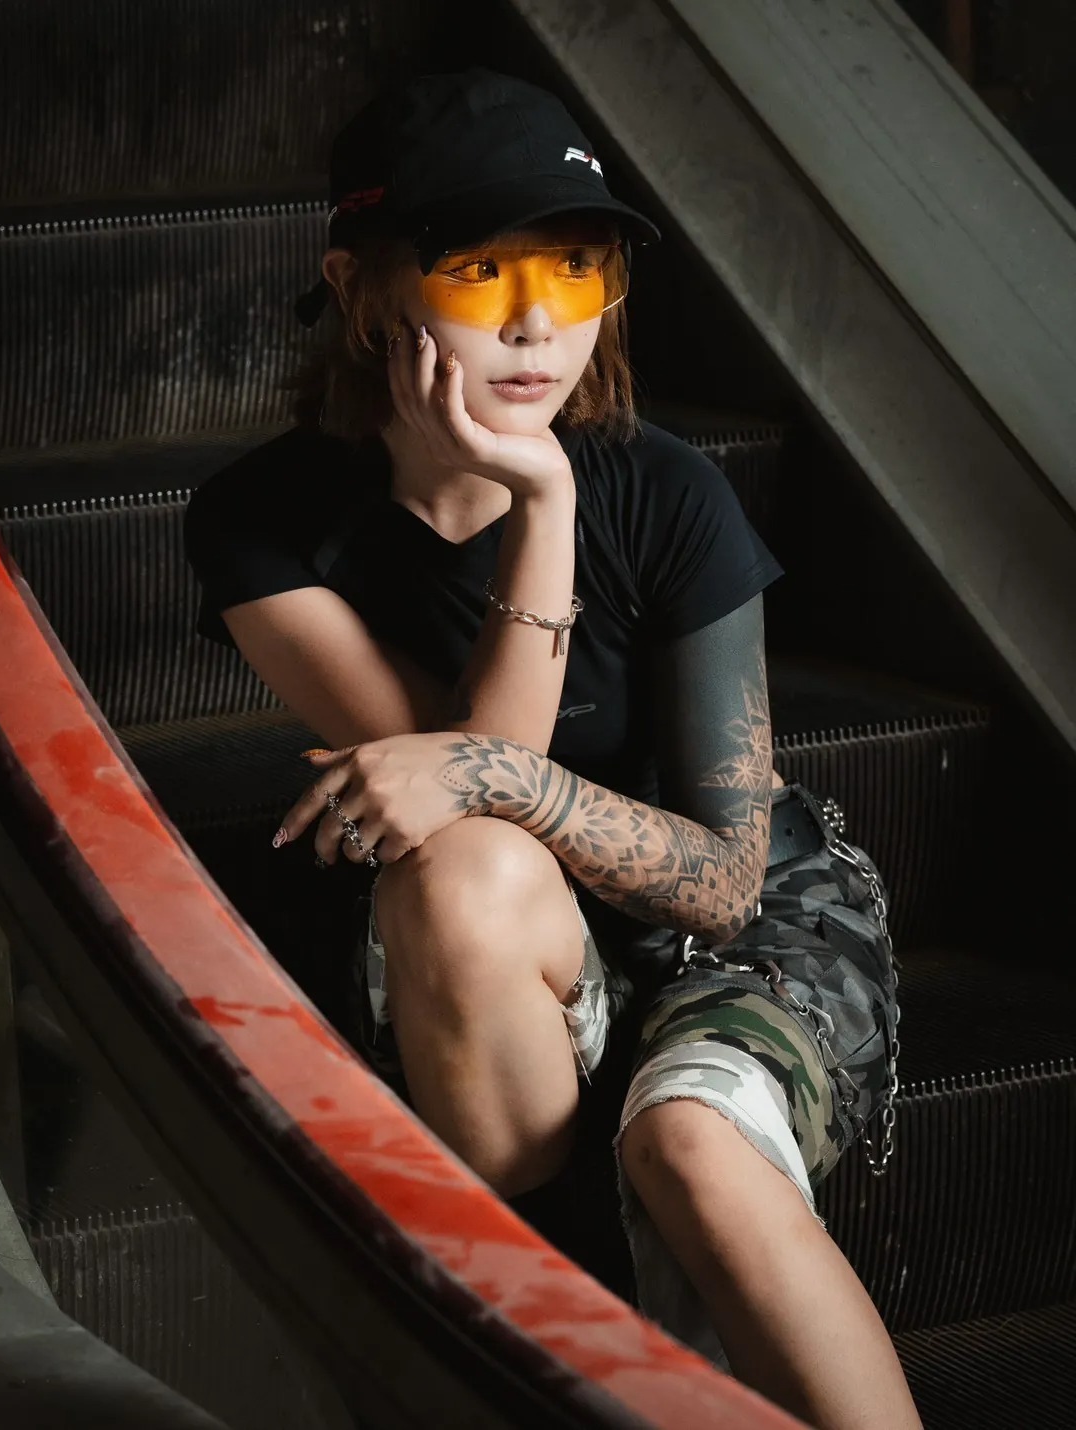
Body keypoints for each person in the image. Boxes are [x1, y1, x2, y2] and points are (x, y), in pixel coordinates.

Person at [184, 68, 920, 1430]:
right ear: (360, 288)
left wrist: (552, 495)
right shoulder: (263, 520)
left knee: (693, 1146)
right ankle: (575, 1347)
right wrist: (539, 516)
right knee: (462, 875)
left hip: (730, 924)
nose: (537, 321)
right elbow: (473, 817)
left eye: (575, 268)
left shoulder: (669, 491)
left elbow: (719, 883)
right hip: (494, 931)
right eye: (480, 269)